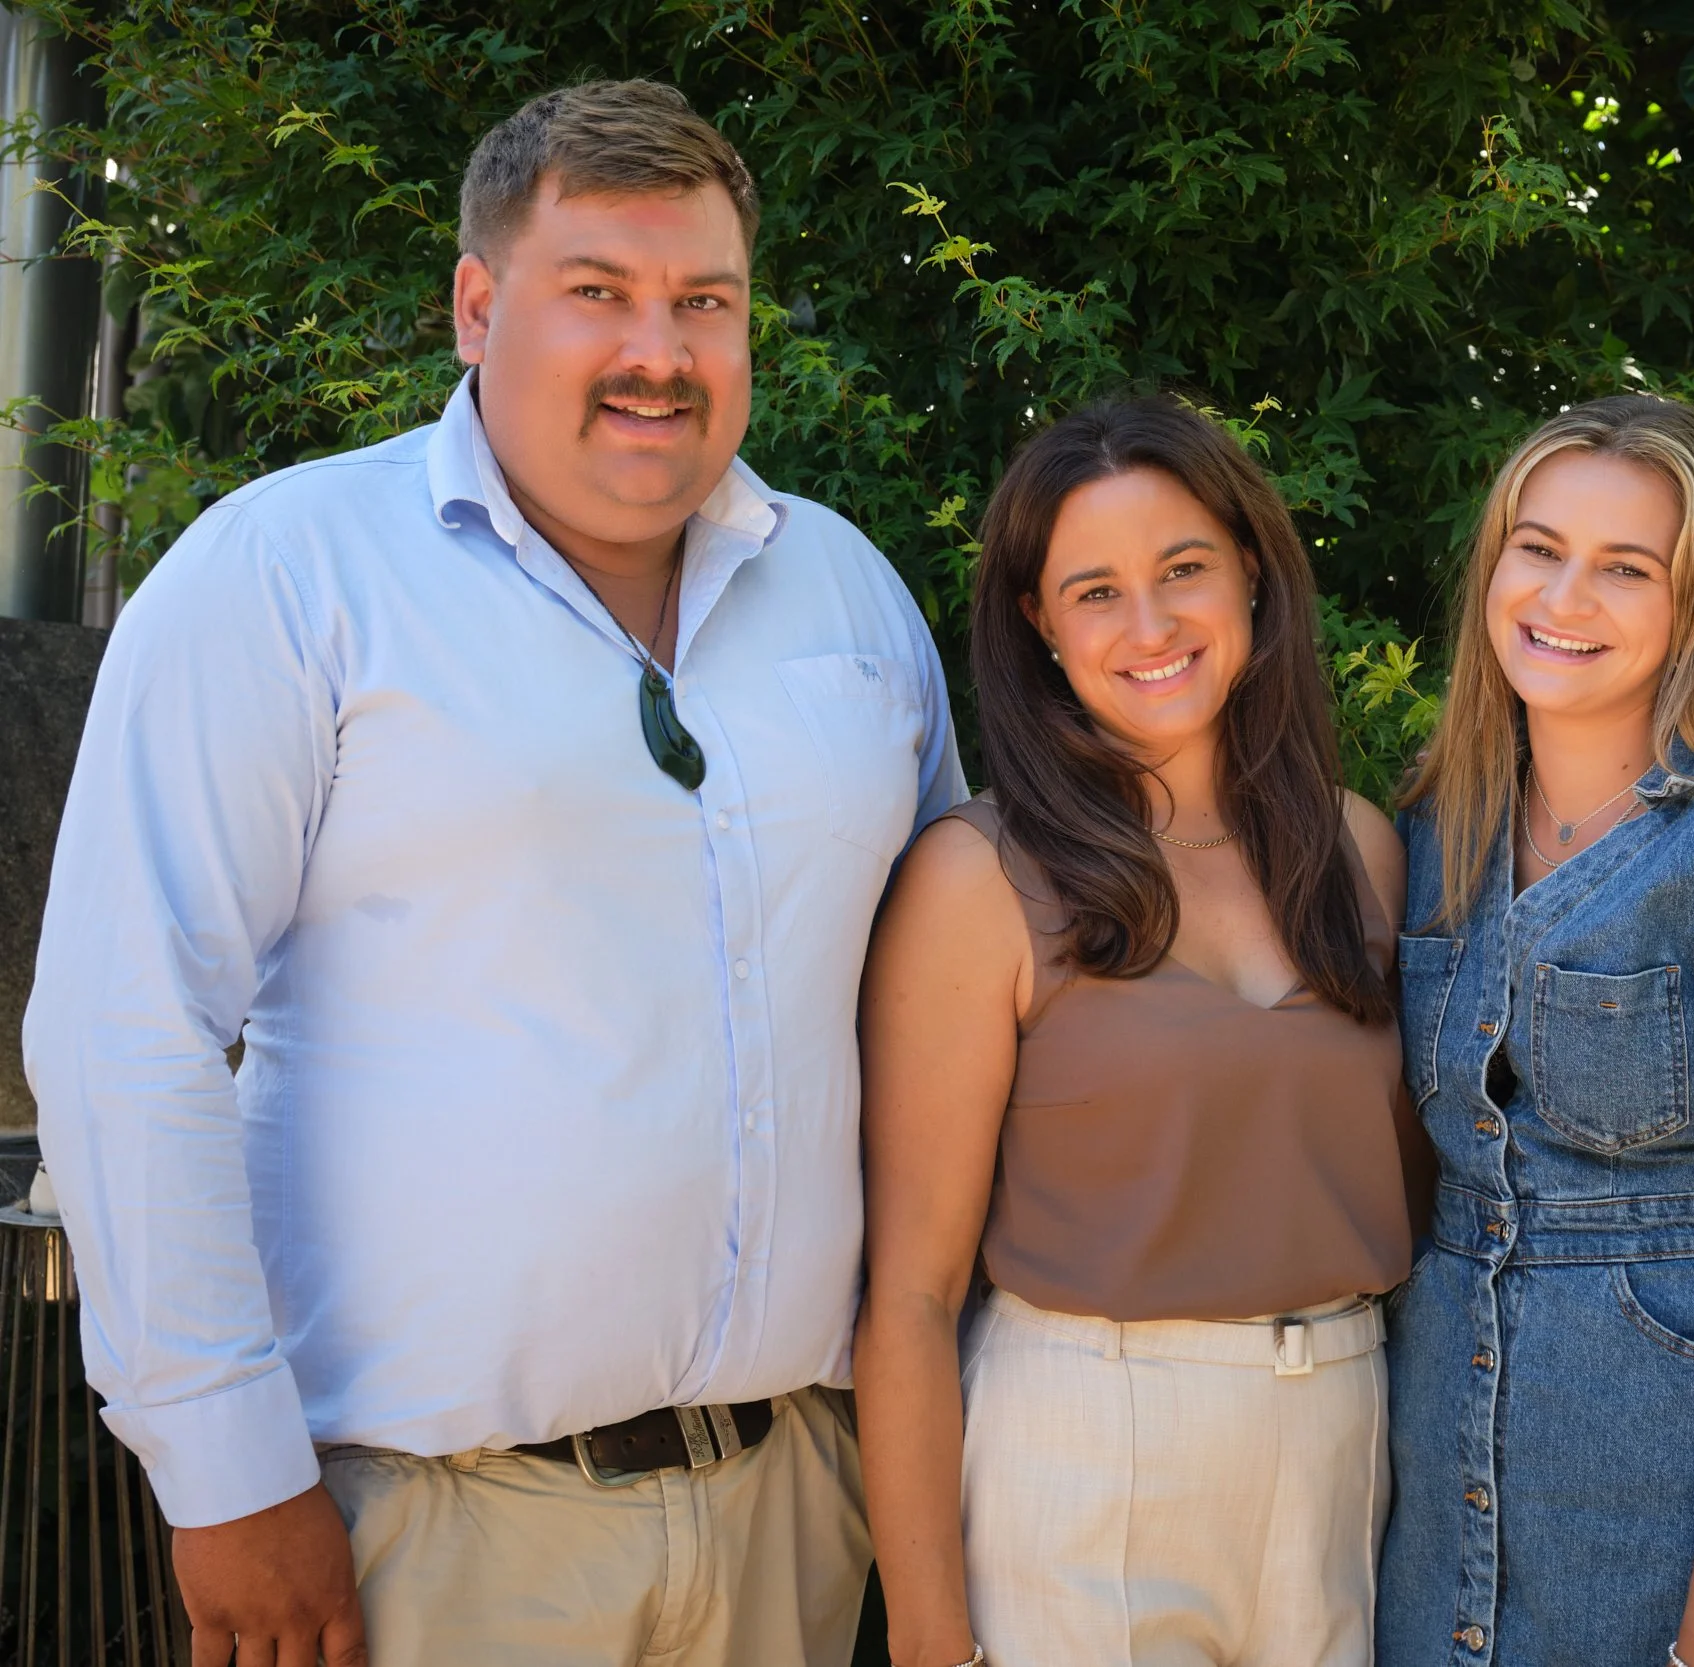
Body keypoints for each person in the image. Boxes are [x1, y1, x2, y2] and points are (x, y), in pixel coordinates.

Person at [24, 80, 962, 1667]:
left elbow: (941, 1013)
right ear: (477, 303)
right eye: (597, 292)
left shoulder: (850, 592)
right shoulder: (291, 575)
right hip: (425, 1530)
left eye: (703, 303)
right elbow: (126, 1026)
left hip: (794, 1505)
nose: (657, 351)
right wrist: (227, 1475)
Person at [852, 395, 1421, 1667]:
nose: (1151, 625)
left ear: (1255, 581)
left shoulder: (1361, 852)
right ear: (1038, 626)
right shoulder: (977, 878)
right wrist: (930, 1642)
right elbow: (910, 1298)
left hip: (1343, 1435)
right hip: (1086, 1448)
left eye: (1182, 571)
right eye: (1095, 590)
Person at [1378, 394, 1694, 1667]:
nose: (1565, 596)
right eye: (1538, 547)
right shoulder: (1435, 830)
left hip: (1671, 1520)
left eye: (1626, 568)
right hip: (1444, 1497)